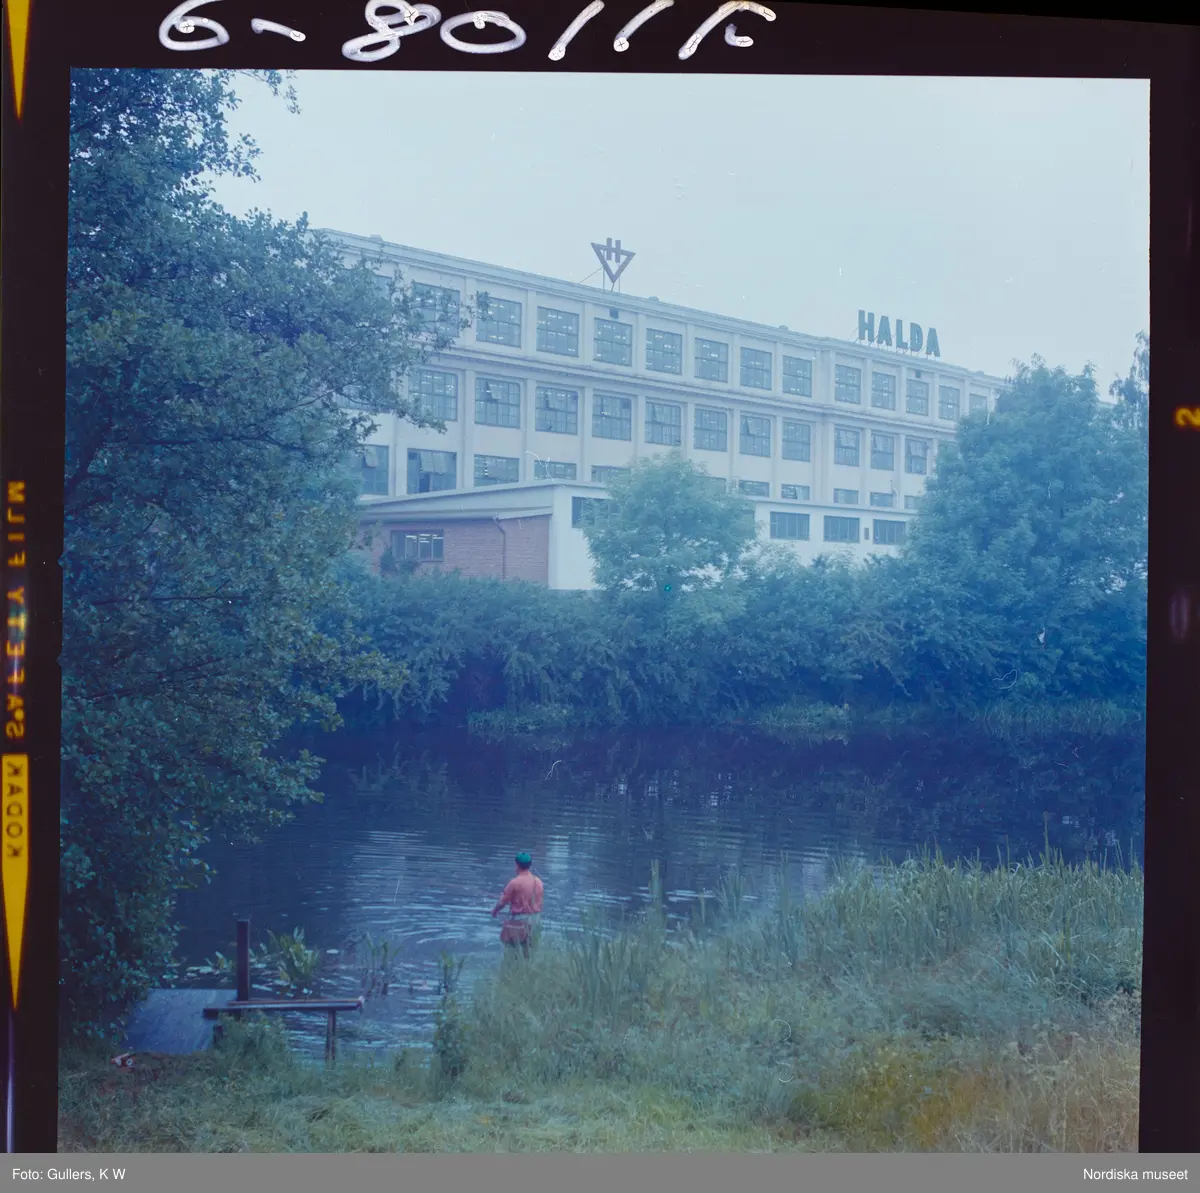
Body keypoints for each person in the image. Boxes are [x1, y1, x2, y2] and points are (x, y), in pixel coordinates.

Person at [491, 851, 543, 958]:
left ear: (517, 865)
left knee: (512, 951)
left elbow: (502, 902)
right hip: (536, 919)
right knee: (529, 951)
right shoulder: (538, 881)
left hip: (519, 920)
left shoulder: (514, 882)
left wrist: (495, 911)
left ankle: (512, 967)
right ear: (530, 865)